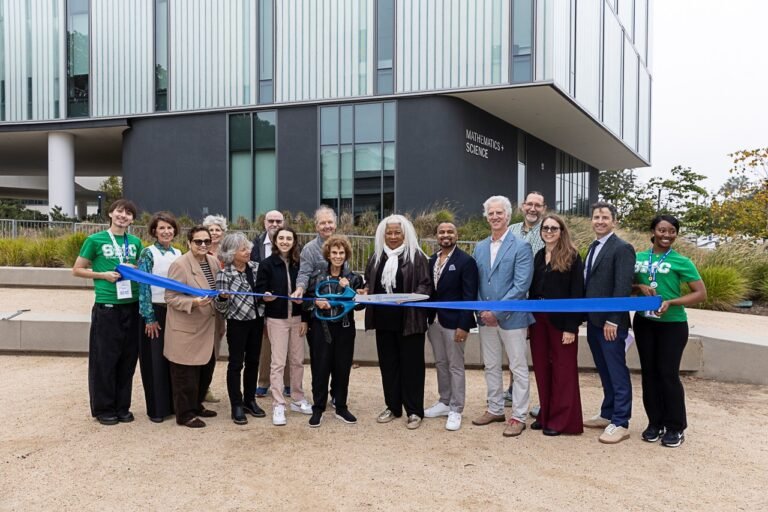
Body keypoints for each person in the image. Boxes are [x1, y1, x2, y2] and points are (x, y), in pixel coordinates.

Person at [633, 214, 706, 448]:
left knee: (668, 374)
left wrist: (672, 302)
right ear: (653, 231)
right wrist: (639, 286)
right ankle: (655, 423)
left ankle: (675, 427)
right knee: (649, 373)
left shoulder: (682, 261)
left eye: (672, 231)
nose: (667, 235)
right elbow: (625, 286)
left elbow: (700, 293)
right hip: (644, 323)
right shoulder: (638, 258)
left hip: (673, 325)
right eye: (662, 230)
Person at [73, 199, 143, 426]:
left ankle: (123, 406)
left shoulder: (135, 242)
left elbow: (140, 270)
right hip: (107, 306)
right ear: (111, 214)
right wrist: (103, 275)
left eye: (129, 213)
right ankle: (104, 408)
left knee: (128, 359)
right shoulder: (95, 240)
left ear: (133, 219)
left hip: (131, 305)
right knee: (105, 359)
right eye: (120, 211)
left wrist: (136, 269)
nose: (124, 216)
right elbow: (77, 270)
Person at [471, 195, 534, 437]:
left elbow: (521, 285)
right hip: (485, 318)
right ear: (486, 216)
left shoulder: (521, 246)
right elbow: (475, 282)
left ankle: (518, 415)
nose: (495, 217)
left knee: (517, 367)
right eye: (491, 213)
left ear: (508, 216)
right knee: (491, 366)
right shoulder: (479, 246)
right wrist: (482, 312)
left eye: (499, 213)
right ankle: (495, 408)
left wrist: (496, 312)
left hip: (513, 319)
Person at [363, 215, 432, 430]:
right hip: (384, 321)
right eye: (389, 232)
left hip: (410, 321)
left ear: (406, 234)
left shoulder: (417, 257)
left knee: (412, 367)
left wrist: (410, 297)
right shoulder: (376, 257)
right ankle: (393, 406)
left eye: (397, 232)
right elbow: (368, 282)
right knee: (388, 365)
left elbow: (426, 286)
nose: (393, 236)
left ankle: (414, 411)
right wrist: (364, 291)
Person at [582, 202, 636, 444]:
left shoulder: (622, 248)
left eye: (605, 217)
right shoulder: (593, 247)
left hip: (610, 323)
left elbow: (622, 287)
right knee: (604, 370)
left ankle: (621, 421)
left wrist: (613, 320)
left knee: (616, 371)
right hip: (594, 321)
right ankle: (607, 413)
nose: (600, 221)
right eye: (596, 217)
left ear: (614, 221)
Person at [528, 214, 584, 436]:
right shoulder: (539, 256)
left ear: (562, 231)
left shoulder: (572, 256)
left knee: (563, 370)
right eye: (545, 228)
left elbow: (577, 293)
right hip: (538, 320)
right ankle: (546, 414)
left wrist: (572, 327)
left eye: (554, 228)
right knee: (542, 368)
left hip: (562, 322)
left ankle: (562, 421)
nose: (549, 231)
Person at [164, 225, 225, 428]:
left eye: (206, 241)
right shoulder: (180, 265)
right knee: (185, 375)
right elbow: (170, 297)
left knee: (205, 370)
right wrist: (194, 303)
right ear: (189, 243)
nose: (203, 245)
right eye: (198, 241)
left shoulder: (214, 261)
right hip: (187, 330)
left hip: (210, 327)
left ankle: (197, 405)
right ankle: (184, 414)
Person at [303, 235, 364, 427]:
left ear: (346, 255)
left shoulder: (354, 278)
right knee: (320, 367)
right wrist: (315, 303)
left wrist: (352, 292)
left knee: (342, 367)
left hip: (345, 328)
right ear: (328, 254)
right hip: (321, 329)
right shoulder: (317, 277)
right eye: (334, 252)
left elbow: (360, 306)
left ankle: (341, 406)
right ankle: (318, 408)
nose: (338, 256)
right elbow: (305, 302)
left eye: (341, 252)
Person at [423, 222, 478, 432]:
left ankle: (456, 408)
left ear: (457, 234)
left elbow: (469, 295)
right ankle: (444, 402)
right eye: (441, 232)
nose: (446, 235)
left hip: (455, 323)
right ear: (436, 236)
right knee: (440, 362)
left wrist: (464, 324)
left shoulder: (466, 261)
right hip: (434, 321)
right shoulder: (431, 260)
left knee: (455, 365)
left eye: (450, 232)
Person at [255, 227, 312, 426]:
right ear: (275, 240)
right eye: (281, 238)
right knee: (278, 363)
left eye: (289, 238)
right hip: (276, 319)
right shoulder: (266, 264)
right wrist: (265, 296)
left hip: (297, 319)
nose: (285, 241)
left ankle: (297, 397)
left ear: (294, 241)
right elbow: (259, 290)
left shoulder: (300, 264)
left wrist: (304, 317)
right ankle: (278, 404)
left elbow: (306, 292)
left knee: (297, 361)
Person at [292, 205, 345, 405]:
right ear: (316, 226)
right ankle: (319, 399)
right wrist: (299, 288)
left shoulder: (342, 245)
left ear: (335, 224)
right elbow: (304, 274)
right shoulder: (309, 249)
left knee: (339, 360)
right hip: (318, 310)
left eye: (330, 222)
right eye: (322, 222)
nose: (327, 226)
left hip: (340, 311)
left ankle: (337, 396)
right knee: (320, 360)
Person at [214, 232, 267, 425]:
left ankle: (250, 400)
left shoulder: (256, 268)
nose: (247, 251)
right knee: (236, 364)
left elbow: (261, 293)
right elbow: (220, 308)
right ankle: (236, 404)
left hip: (257, 320)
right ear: (231, 253)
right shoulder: (224, 273)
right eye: (242, 249)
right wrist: (222, 298)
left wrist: (265, 297)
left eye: (248, 248)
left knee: (254, 361)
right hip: (237, 322)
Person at [137, 211, 181, 423]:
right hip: (155, 310)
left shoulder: (178, 252)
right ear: (154, 231)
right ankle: (157, 409)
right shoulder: (148, 253)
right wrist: (149, 317)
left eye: (169, 227)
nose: (166, 231)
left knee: (172, 360)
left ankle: (173, 404)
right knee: (154, 362)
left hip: (174, 311)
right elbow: (143, 285)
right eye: (161, 228)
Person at [506, 191, 547, 415]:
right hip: (515, 299)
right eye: (529, 204)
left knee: (541, 351)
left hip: (538, 299)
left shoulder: (548, 231)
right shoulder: (510, 230)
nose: (533, 208)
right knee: (516, 349)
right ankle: (513, 391)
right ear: (522, 206)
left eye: (537, 205)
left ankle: (544, 398)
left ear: (543, 208)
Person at [249, 210, 289, 398]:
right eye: (270, 220)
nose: (274, 224)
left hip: (285, 301)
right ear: (264, 223)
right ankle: (263, 382)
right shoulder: (254, 245)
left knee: (287, 345)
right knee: (265, 344)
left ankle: (287, 383)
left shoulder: (291, 242)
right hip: (261, 300)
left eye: (278, 221)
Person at [201, 214, 228, 403]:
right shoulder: (200, 251)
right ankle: (200, 386)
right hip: (201, 304)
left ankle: (206, 385)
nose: (214, 233)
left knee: (215, 344)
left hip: (221, 306)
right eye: (211, 230)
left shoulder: (227, 253)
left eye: (218, 229)